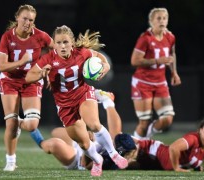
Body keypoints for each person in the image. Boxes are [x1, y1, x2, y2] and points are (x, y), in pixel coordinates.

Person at [25, 25, 128, 176]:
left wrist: (105, 65)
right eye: (58, 42)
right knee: (83, 142)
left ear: (72, 43)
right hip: (64, 105)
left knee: (93, 123)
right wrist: (41, 73)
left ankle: (113, 154)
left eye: (65, 42)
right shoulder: (48, 59)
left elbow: (99, 56)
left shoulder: (81, 53)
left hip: (82, 93)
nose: (62, 46)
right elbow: (29, 77)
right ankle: (97, 160)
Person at [0, 4, 54, 171]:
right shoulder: (7, 37)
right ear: (17, 18)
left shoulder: (41, 36)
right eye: (25, 18)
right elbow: (2, 66)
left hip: (31, 81)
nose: (28, 22)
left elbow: (56, 50)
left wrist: (48, 67)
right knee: (10, 126)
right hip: (9, 81)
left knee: (32, 125)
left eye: (31, 20)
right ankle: (10, 160)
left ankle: (18, 122)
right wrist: (22, 61)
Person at [30, 90, 129, 172]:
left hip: (80, 157)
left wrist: (87, 145)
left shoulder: (129, 161)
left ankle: (36, 136)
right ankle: (108, 102)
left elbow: (86, 164)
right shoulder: (128, 148)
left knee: (55, 144)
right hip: (92, 145)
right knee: (55, 132)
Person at [130, 8, 181, 140]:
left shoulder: (170, 37)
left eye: (164, 18)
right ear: (151, 21)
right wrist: (158, 61)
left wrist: (174, 72)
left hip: (160, 83)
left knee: (167, 119)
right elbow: (134, 61)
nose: (162, 21)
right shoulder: (145, 38)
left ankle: (144, 138)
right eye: (158, 18)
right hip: (142, 83)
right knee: (144, 123)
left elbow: (172, 54)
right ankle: (133, 148)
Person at [121, 119, 204, 172]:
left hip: (156, 164)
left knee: (124, 166)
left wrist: (196, 167)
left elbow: (188, 159)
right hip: (153, 152)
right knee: (120, 142)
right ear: (200, 129)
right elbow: (173, 148)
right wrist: (176, 168)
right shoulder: (193, 138)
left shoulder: (201, 150)